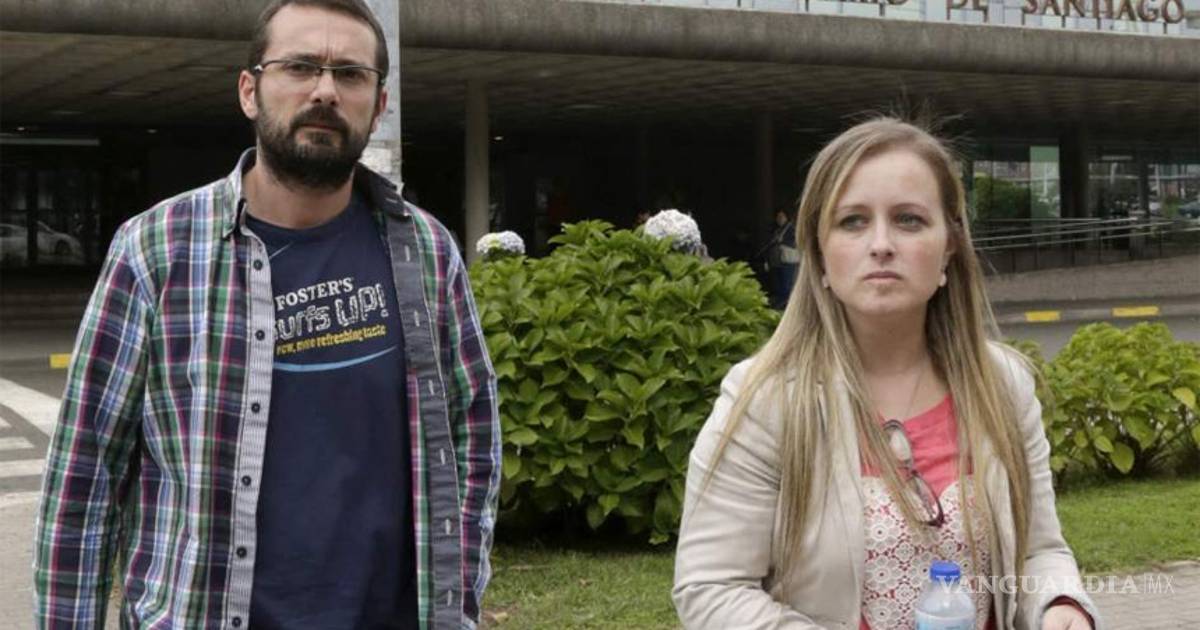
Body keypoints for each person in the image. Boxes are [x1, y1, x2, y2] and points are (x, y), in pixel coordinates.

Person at [33, 1, 500, 628]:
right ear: (249, 91)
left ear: (379, 105)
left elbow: (472, 437)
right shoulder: (156, 250)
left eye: (351, 74)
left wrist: (457, 600)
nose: (325, 91)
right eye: (300, 67)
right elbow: (84, 476)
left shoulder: (427, 251)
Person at [673, 117, 1100, 630]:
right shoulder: (764, 399)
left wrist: (1060, 606)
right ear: (820, 253)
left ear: (949, 246)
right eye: (853, 221)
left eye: (909, 220)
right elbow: (711, 588)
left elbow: (1040, 553)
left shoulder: (1003, 385)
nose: (881, 244)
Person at [766, 209, 800, 309]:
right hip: (778, 261)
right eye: (778, 217)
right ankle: (782, 303)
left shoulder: (791, 228)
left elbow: (798, 242)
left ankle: (787, 306)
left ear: (786, 217)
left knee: (787, 285)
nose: (779, 219)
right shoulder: (777, 230)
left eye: (781, 217)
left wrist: (783, 241)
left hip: (789, 260)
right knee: (780, 284)